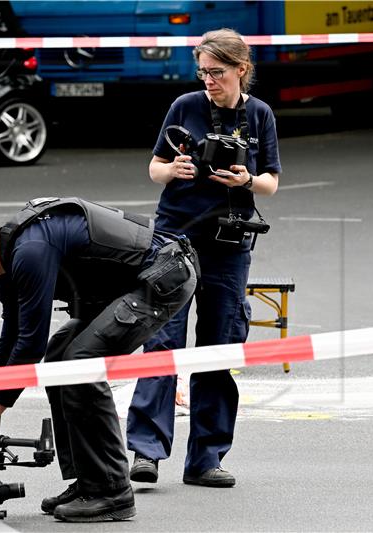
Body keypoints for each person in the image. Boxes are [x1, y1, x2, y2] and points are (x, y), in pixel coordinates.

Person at [0, 197, 198, 522]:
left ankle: (113, 492)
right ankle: (89, 483)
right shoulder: (11, 266)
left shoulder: (29, 252)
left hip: (165, 275)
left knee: (79, 363)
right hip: (129, 284)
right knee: (60, 354)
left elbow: (29, 346)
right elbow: (9, 343)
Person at [126, 28, 281, 488]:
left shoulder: (260, 115)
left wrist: (246, 180)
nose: (208, 81)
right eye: (203, 72)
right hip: (176, 238)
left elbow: (271, 181)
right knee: (161, 343)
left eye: (216, 73)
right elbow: (154, 168)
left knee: (219, 347)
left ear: (241, 70)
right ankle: (146, 453)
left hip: (230, 244)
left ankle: (206, 458)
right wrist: (173, 169)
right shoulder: (184, 106)